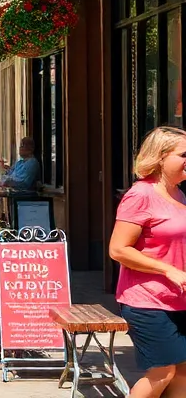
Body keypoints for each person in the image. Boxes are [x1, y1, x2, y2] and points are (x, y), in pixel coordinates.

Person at [109, 126, 186, 398]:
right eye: (183, 154)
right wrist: (168, 269)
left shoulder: (179, 195)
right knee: (163, 371)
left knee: (183, 372)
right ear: (161, 157)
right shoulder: (141, 194)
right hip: (146, 300)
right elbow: (118, 249)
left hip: (179, 299)